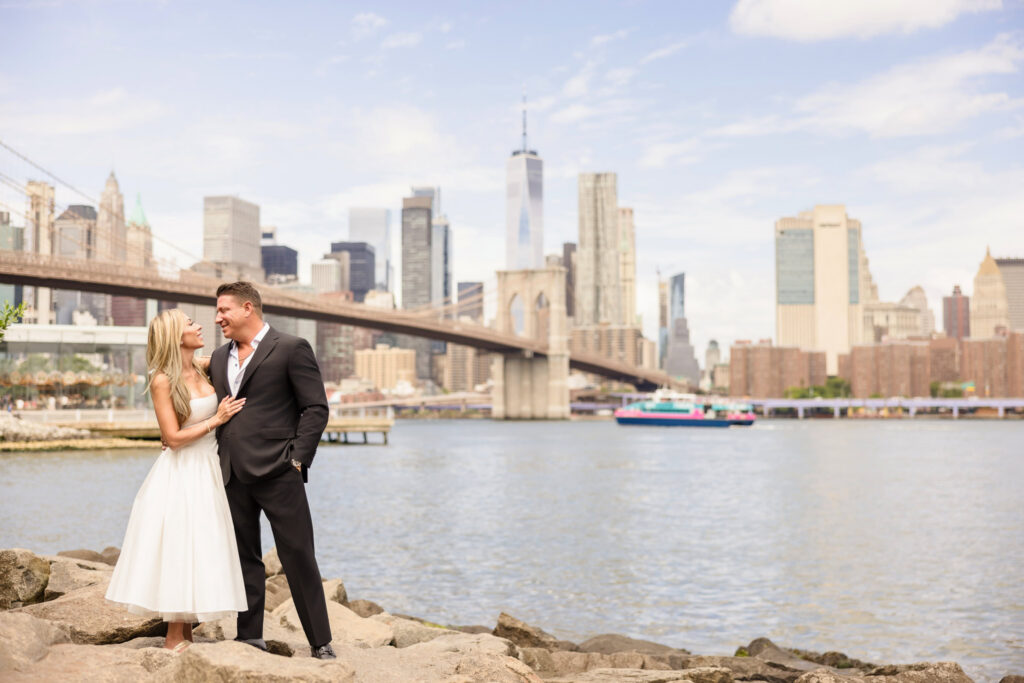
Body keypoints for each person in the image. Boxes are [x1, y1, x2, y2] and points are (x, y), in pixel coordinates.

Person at [106, 310, 248, 652]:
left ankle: (186, 637)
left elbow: (243, 356)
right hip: (183, 472)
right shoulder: (162, 380)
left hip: (208, 468)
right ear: (175, 336)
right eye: (190, 324)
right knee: (182, 549)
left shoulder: (203, 365)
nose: (200, 326)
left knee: (199, 548)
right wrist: (217, 419)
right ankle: (174, 640)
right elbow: (171, 437)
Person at [209, 281, 335, 660]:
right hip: (232, 472)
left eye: (224, 310)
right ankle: (249, 636)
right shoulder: (217, 358)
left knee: (298, 554)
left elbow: (316, 408)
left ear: (248, 308)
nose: (218, 318)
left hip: (280, 471)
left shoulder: (292, 348)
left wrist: (297, 459)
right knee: (244, 557)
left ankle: (320, 641)